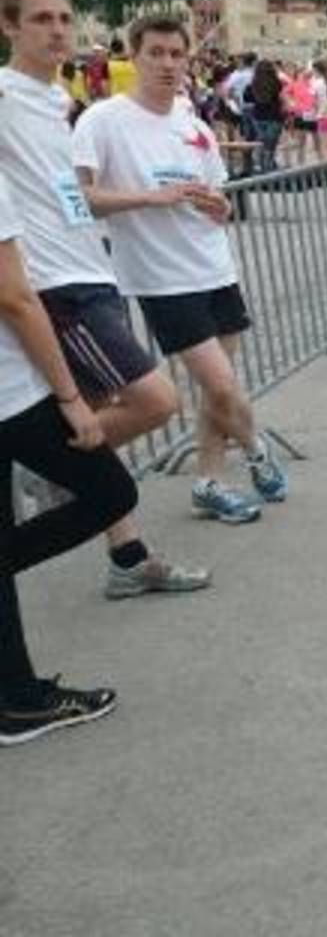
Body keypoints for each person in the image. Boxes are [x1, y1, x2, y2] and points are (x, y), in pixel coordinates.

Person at [0, 0, 211, 598]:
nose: (58, 30)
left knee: (96, 419)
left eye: (65, 18)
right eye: (41, 19)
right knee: (156, 400)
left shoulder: (55, 101)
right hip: (55, 286)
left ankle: (127, 554)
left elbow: (68, 195)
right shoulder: (4, 97)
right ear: (9, 26)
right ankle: (53, 470)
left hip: (91, 269)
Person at [72, 13, 289, 521]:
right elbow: (78, 199)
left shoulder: (194, 125)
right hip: (161, 279)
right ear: (134, 56)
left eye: (176, 54)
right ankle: (257, 450)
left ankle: (209, 481)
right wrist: (151, 197)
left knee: (217, 391)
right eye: (156, 53)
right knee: (222, 385)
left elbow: (219, 196)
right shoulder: (102, 120)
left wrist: (219, 206)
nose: (168, 64)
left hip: (215, 267)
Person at [0, 167, 140, 746]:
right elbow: (14, 296)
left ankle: (17, 698)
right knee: (111, 490)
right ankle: (17, 700)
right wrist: (69, 395)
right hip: (11, 393)